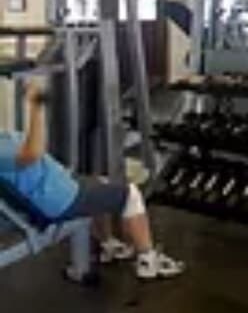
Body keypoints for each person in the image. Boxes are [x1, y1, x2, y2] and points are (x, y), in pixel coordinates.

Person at [0, 83, 184, 280]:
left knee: (101, 181)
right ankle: (147, 261)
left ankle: (109, 245)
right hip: (59, 199)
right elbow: (33, 154)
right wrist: (36, 107)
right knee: (131, 195)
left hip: (58, 188)